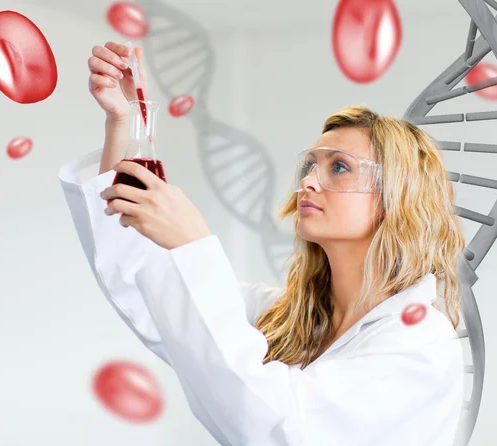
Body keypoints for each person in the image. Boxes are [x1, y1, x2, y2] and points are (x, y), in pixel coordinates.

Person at [58, 41, 465, 445]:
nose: (308, 181)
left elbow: (279, 429)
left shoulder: (420, 345)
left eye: (339, 167)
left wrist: (195, 246)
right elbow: (151, 286)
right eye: (310, 165)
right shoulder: (284, 316)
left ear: (400, 195)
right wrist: (126, 122)